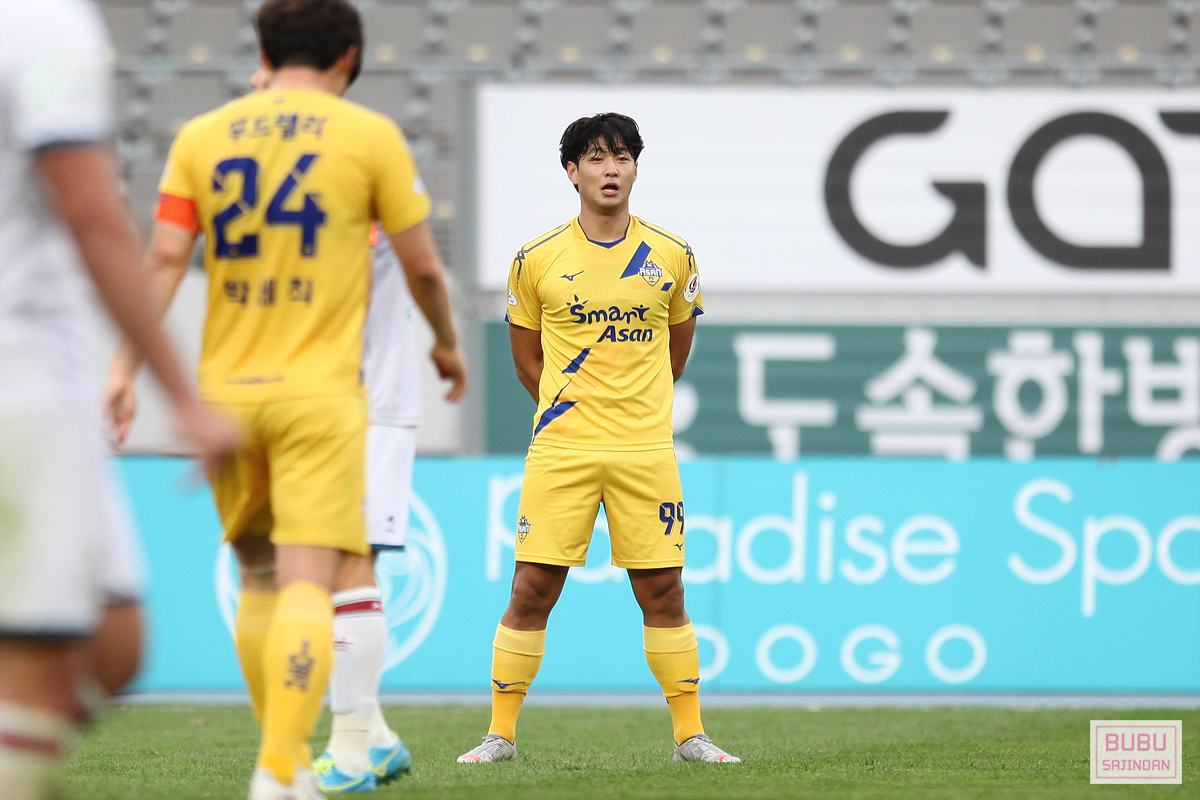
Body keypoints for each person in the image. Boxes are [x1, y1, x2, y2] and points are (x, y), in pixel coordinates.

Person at [103, 1, 465, 797]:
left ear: (262, 52)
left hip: (227, 395)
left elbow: (162, 258)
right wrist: (445, 344)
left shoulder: (202, 136)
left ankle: (294, 763)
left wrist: (123, 369)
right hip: (319, 398)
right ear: (350, 56)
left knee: (257, 577)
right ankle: (279, 767)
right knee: (309, 581)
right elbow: (424, 268)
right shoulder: (368, 136)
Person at [0, 0, 239, 797]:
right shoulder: (42, 25)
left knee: (114, 642)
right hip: (22, 376)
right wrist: (183, 396)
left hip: (49, 381)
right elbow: (93, 215)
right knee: (39, 665)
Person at [457, 113, 739, 765]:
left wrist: (633, 408)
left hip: (646, 450)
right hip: (563, 450)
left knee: (664, 592)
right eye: (595, 157)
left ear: (636, 169)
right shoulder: (536, 258)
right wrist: (572, 412)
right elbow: (526, 360)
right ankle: (500, 735)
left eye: (622, 157)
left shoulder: (672, 254)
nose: (610, 169)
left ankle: (690, 736)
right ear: (572, 171)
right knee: (532, 589)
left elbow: (676, 353)